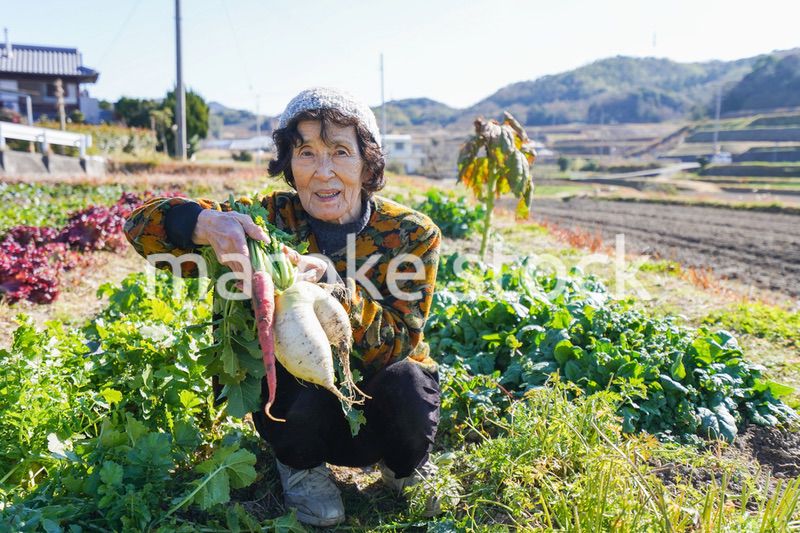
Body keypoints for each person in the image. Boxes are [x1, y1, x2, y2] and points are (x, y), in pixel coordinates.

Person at [123, 87, 445, 527]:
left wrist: (331, 284)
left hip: (378, 397)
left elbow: (399, 339)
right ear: (289, 164)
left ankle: (403, 467)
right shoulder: (266, 222)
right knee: (284, 372)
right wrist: (203, 224)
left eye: (340, 152)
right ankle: (302, 468)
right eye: (307, 153)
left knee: (408, 378)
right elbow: (141, 227)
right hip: (297, 408)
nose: (324, 172)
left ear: (367, 162)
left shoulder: (410, 233)